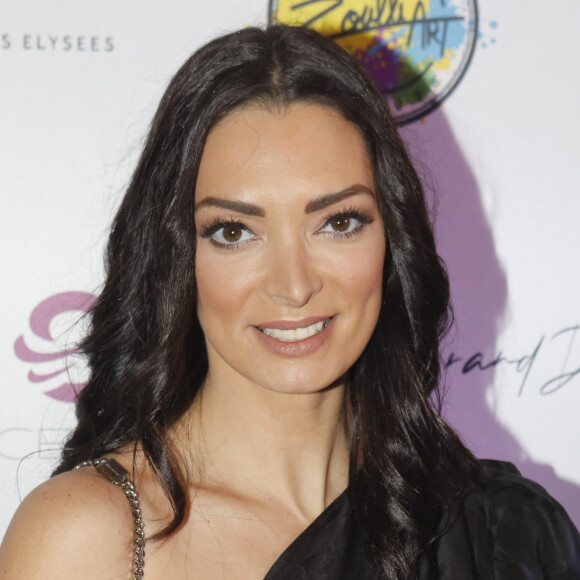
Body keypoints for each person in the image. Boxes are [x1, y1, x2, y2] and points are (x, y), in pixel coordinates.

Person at [1, 24, 579, 580]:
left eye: (339, 222)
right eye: (233, 232)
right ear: (176, 257)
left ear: (392, 237)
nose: (295, 284)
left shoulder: (505, 535)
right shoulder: (88, 537)